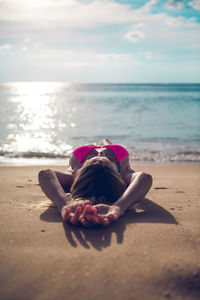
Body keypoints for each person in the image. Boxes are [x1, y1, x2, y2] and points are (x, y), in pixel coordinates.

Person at [38, 139, 153, 227]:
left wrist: (64, 204)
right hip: (116, 152)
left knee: (90, 144)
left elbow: (45, 173)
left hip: (82, 153)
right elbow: (145, 177)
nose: (100, 155)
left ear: (82, 168)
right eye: (108, 161)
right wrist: (118, 207)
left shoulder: (74, 176)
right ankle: (105, 141)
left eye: (92, 159)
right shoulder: (123, 175)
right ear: (116, 172)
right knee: (107, 142)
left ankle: (99, 142)